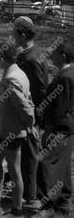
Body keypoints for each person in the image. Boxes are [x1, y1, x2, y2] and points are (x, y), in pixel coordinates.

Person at [0, 42, 36, 216]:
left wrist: (29, 125)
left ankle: (17, 209)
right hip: (7, 130)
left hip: (13, 132)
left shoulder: (11, 78)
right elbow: (29, 98)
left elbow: (24, 106)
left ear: (2, 58)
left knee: (14, 169)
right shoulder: (18, 72)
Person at [12, 16, 49, 209]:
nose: (12, 36)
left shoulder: (31, 58)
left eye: (15, 32)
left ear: (23, 34)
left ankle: (32, 196)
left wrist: (36, 117)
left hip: (31, 113)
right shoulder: (31, 53)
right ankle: (40, 192)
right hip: (28, 112)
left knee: (30, 155)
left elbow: (40, 90)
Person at [39, 40, 74, 216]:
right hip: (67, 128)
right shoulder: (69, 72)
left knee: (46, 164)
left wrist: (49, 129)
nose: (50, 56)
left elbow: (59, 107)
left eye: (53, 53)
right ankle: (63, 204)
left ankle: (48, 206)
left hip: (59, 129)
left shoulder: (65, 77)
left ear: (63, 55)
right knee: (63, 165)